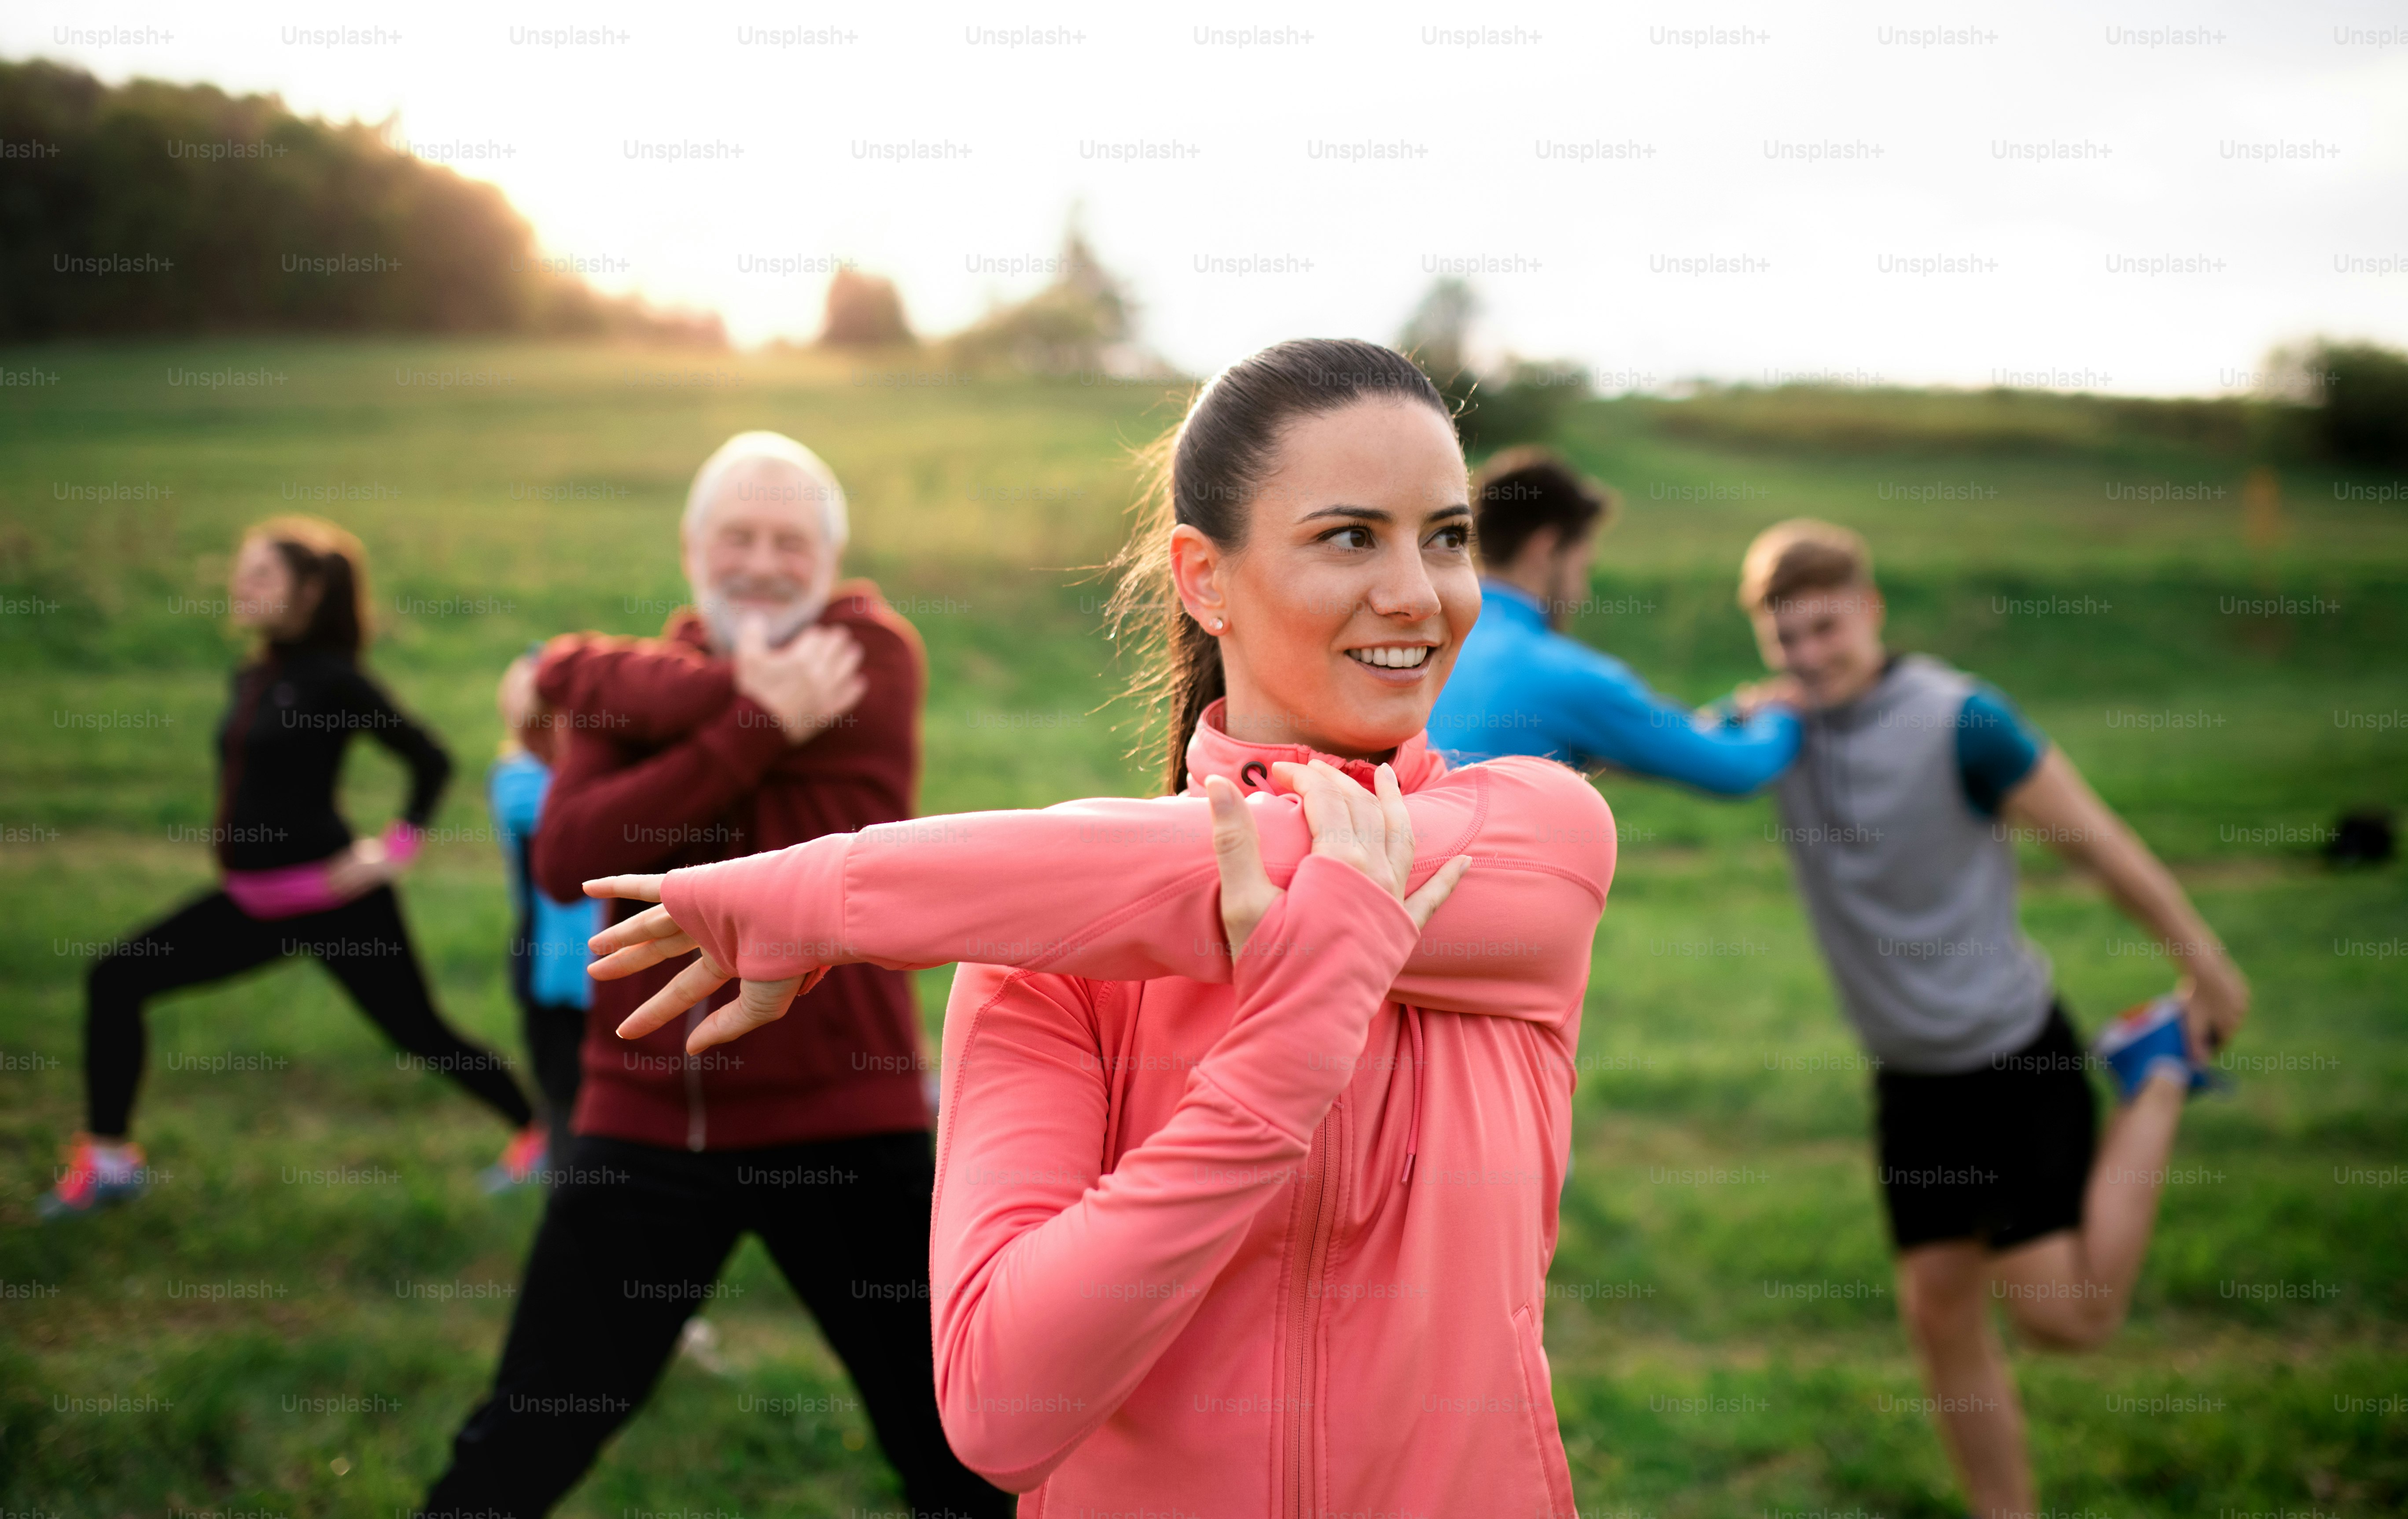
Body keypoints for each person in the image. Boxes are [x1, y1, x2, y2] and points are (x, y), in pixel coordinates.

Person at [580, 341, 1621, 1515]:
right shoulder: (1047, 961)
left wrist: (808, 897)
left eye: (1443, 535)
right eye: (1348, 536)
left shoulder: (1535, 833)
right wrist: (1279, 1064)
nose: (1416, 592)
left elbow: (1194, 863)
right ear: (1203, 578)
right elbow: (997, 1411)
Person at [421, 433, 1010, 1519]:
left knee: (955, 1446)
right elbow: (570, 855)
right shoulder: (643, 686)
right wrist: (755, 718)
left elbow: (616, 740)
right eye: (736, 534)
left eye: (791, 539)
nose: (762, 560)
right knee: (528, 1433)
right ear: (693, 549)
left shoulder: (872, 657)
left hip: (843, 1118)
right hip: (647, 1121)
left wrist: (565, 673)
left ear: (832, 560)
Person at [1733, 518, 2250, 1519]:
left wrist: (2203, 960)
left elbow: (2095, 842)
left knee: (2068, 1319)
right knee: (1938, 1310)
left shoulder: (1963, 721)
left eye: (1824, 628)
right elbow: (1654, 745)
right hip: (1906, 1073)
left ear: (1871, 609)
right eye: (1784, 637)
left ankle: (2154, 1074)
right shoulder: (1777, 727)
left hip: (2008, 1057)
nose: (1806, 654)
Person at [42, 515, 539, 1220]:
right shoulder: (253, 672)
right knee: (117, 978)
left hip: (333, 902)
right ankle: (113, 1164)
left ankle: (541, 1132)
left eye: (261, 574)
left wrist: (388, 854)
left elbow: (430, 758)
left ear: (308, 592)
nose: (240, 585)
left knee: (418, 1031)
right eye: (240, 570)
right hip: (251, 904)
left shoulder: (334, 679)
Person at [1426, 446, 1798, 793]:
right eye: (1583, 567)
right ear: (1548, 547)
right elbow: (1735, 769)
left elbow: (1656, 733)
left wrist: (1734, 716)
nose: (1582, 592)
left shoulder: (1427, 649)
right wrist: (1784, 712)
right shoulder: (1563, 676)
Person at [487, 653, 601, 1180]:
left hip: (610, 968)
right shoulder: (517, 782)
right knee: (561, 1089)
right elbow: (565, 819)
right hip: (548, 973)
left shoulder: (596, 779)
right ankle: (563, 1183)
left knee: (608, 1095)